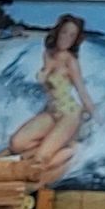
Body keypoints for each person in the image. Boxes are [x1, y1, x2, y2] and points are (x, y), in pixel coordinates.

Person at [7, 14, 96, 179]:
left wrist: (97, 117)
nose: (67, 38)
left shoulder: (71, 61)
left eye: (72, 35)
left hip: (69, 114)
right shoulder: (47, 54)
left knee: (40, 160)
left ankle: (71, 150)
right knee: (16, 144)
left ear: (76, 39)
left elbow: (82, 91)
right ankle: (60, 144)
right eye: (65, 32)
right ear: (58, 32)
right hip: (51, 112)